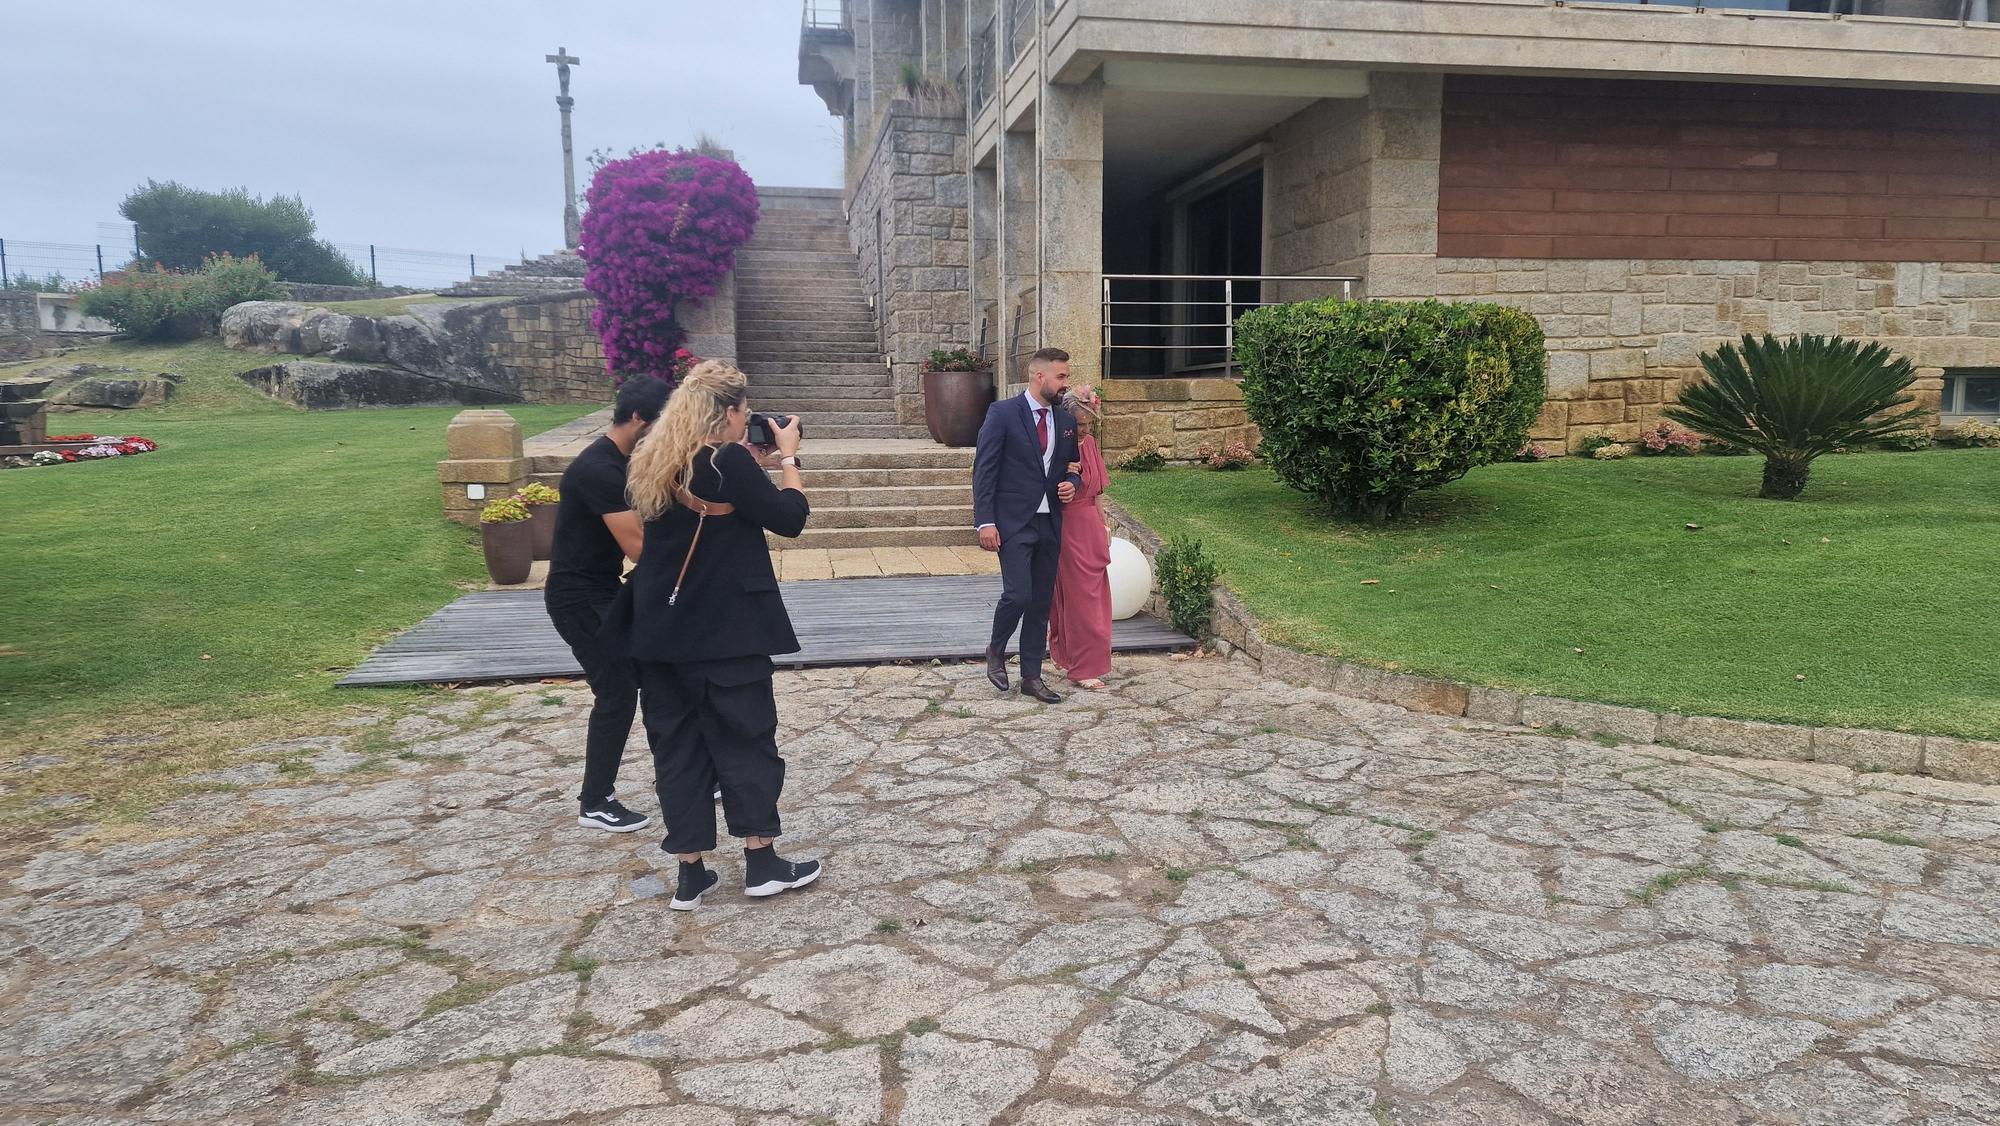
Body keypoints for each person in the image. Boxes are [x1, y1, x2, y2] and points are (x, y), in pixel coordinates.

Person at [609, 361, 821, 911]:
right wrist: (790, 460)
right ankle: (762, 862)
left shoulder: (655, 459)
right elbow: (789, 517)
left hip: (660, 633)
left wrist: (759, 465)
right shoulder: (725, 460)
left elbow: (718, 501)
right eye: (745, 412)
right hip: (726, 633)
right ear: (728, 412)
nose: (748, 420)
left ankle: (691, 873)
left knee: (678, 751)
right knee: (746, 741)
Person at [544, 375, 669, 833]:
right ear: (639, 419)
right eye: (661, 425)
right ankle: (595, 801)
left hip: (604, 590)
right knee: (617, 691)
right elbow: (639, 546)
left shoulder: (618, 463)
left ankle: (677, 772)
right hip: (578, 598)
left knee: (655, 673)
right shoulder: (597, 469)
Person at [974, 347, 1083, 705]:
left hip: (1050, 520)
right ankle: (996, 649)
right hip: (1012, 522)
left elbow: (1073, 466)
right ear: (1040, 377)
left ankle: (1032, 676)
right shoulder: (1003, 413)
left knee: (1040, 602)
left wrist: (1072, 484)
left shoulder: (1066, 422)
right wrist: (985, 522)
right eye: (1061, 377)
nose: (1065, 383)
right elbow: (985, 470)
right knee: (1018, 594)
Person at [1048, 386, 1113, 690]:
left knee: (1097, 596)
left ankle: (1090, 660)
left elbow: (1098, 491)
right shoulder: (1056, 447)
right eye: (1079, 425)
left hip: (1091, 526)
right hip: (1069, 526)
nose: (1085, 430)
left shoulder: (1090, 445)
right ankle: (1082, 667)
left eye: (1089, 424)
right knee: (1079, 598)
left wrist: (1104, 526)